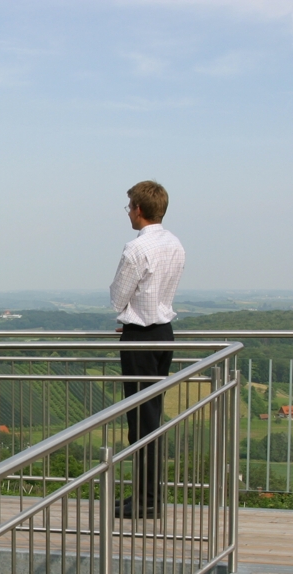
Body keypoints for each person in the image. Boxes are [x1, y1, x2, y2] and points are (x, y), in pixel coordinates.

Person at [109, 180, 185, 518]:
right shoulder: (175, 244)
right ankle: (144, 495)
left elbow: (117, 296)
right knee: (150, 418)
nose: (128, 213)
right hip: (163, 334)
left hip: (139, 337)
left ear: (138, 210)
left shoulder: (136, 249)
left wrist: (128, 317)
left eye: (129, 208)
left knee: (141, 421)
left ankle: (147, 501)